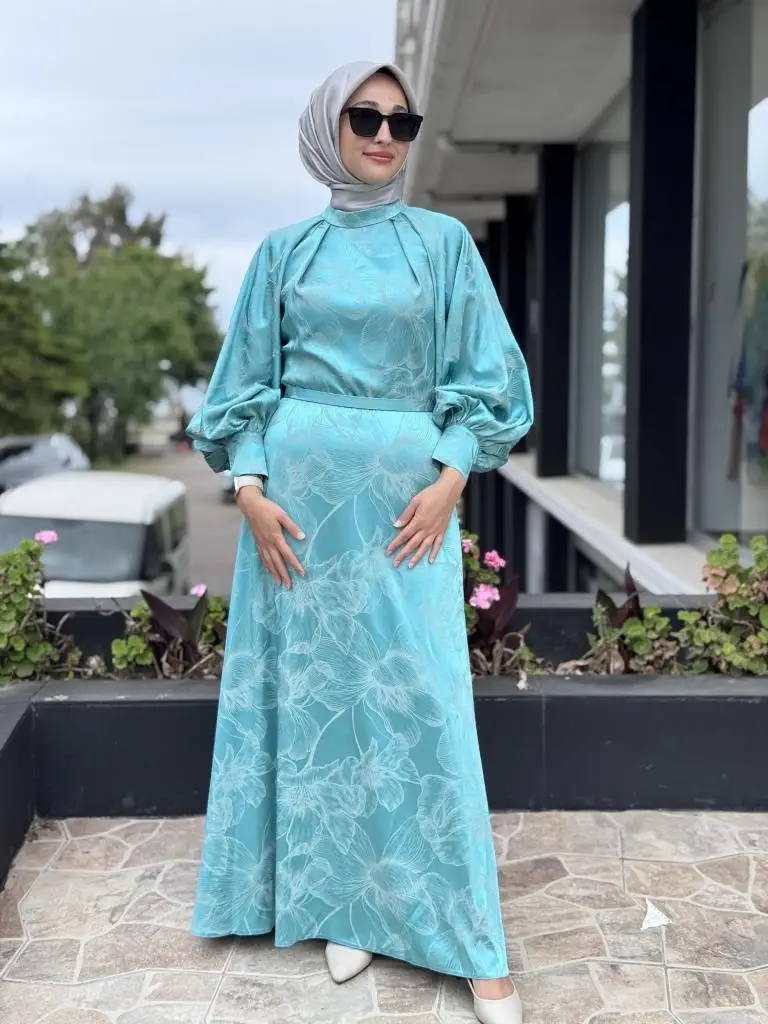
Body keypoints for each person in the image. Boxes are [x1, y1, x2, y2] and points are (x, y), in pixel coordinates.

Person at [187, 60, 534, 1024]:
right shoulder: (284, 252)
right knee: (321, 706)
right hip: (296, 521)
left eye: (402, 121)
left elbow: (490, 380)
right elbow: (242, 388)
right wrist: (248, 491)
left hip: (404, 515)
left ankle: (474, 945)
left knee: (423, 705)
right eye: (365, 117)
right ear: (325, 127)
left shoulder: (442, 245)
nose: (385, 135)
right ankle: (347, 902)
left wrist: (452, 477)